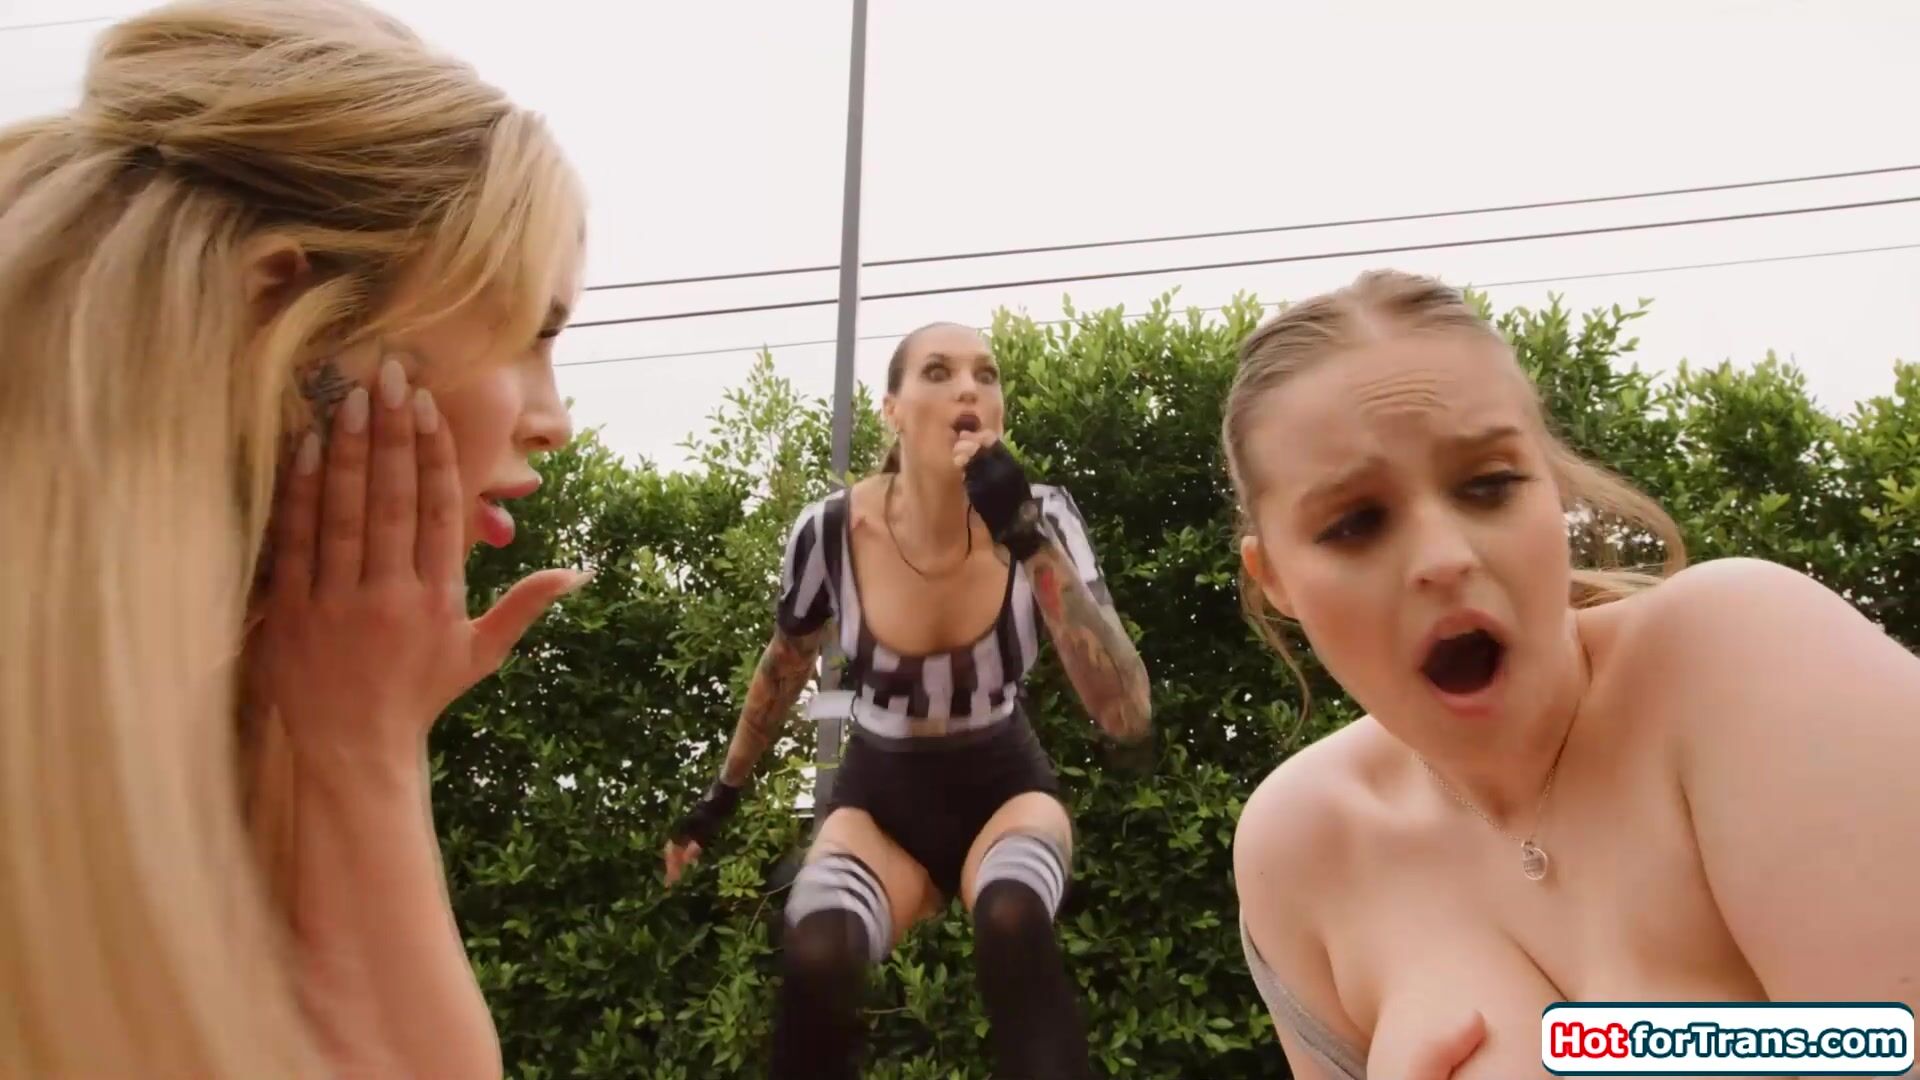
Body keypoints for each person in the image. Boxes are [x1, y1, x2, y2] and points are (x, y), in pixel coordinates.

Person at [0, 1, 589, 1075]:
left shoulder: (208, 702)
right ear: (280, 314)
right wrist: (361, 749)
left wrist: (352, 726)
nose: (554, 420)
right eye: (528, 336)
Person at [1223, 269, 1920, 1078]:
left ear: (1551, 488)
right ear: (1275, 578)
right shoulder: (1298, 851)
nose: (1444, 557)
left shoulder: (1742, 657)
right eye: (1355, 523)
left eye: (1489, 485)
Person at [663, 321, 1153, 1078]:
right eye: (938, 372)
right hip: (881, 801)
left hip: (1004, 786)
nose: (968, 388)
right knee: (819, 947)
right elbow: (782, 670)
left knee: (1012, 917)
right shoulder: (832, 531)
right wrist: (718, 800)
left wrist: (1025, 535)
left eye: (986, 374)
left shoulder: (1045, 516)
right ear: (892, 409)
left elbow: (1126, 713)